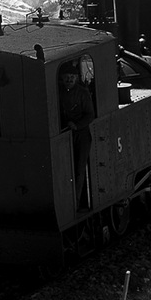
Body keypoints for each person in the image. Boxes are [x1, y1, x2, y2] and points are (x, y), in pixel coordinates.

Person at [59, 62, 95, 210]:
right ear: (62, 78)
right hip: (65, 132)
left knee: (79, 170)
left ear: (76, 78)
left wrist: (77, 125)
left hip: (81, 134)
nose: (69, 80)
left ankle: (77, 202)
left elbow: (90, 115)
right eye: (67, 77)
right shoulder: (59, 91)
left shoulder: (82, 93)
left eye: (72, 77)